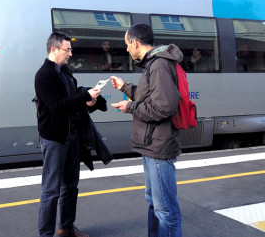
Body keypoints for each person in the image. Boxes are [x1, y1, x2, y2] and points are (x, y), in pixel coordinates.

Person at [110, 24, 183, 237]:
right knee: (154, 203)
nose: (126, 50)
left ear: (135, 42)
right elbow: (148, 96)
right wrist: (124, 88)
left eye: (126, 45)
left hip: (159, 147)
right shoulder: (153, 64)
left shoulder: (158, 65)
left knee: (165, 210)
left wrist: (129, 106)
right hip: (151, 145)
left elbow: (164, 107)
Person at [35, 31, 101, 237]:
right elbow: (57, 106)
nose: (71, 54)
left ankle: (66, 228)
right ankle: (46, 234)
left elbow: (71, 98)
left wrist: (87, 99)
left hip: (72, 136)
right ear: (54, 50)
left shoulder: (64, 71)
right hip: (55, 139)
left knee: (71, 186)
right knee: (51, 191)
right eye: (68, 49)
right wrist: (84, 96)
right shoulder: (44, 75)